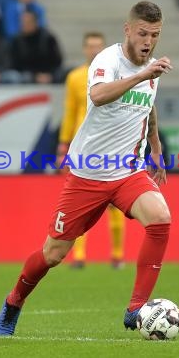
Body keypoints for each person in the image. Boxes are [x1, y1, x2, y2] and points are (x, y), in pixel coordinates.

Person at [0, 0, 173, 336]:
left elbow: (149, 105)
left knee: (161, 218)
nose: (149, 41)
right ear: (128, 29)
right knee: (53, 253)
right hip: (88, 173)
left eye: (155, 35)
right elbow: (100, 95)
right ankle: (14, 302)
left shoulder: (151, 68)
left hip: (127, 171)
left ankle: (136, 309)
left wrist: (156, 146)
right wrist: (142, 74)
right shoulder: (108, 60)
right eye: (143, 33)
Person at [56, 31, 126, 269]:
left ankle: (117, 256)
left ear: (104, 49)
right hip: (84, 148)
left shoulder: (117, 75)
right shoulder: (75, 77)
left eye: (98, 46)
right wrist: (63, 144)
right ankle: (79, 257)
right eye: (90, 46)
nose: (94, 50)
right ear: (84, 49)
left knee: (115, 204)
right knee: (81, 204)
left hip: (112, 147)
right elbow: (70, 112)